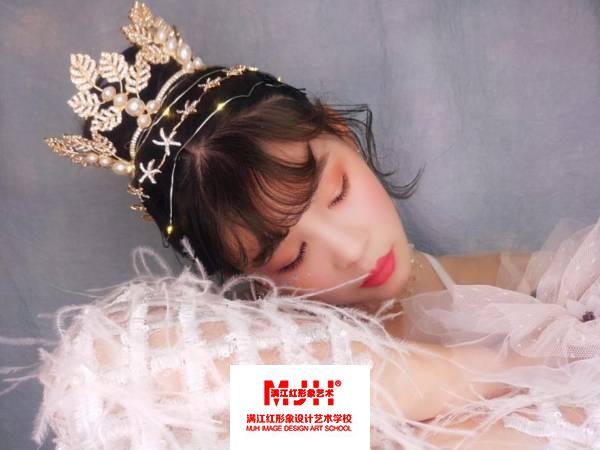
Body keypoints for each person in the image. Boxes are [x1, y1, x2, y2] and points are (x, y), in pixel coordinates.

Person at [11, 1, 600, 448]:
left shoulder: (537, 287)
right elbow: (101, 379)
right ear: (246, 281)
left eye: (338, 192)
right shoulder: (259, 388)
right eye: (291, 256)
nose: (352, 251)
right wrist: (481, 372)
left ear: (343, 135)